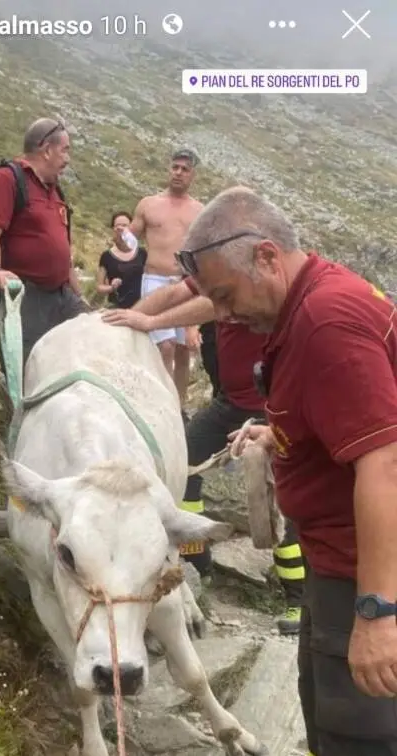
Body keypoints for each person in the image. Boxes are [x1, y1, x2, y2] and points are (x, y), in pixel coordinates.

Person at [180, 184, 397, 756]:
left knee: (361, 736)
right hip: (337, 567)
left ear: (268, 257)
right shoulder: (310, 302)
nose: (222, 314)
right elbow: (345, 420)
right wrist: (280, 434)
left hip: (361, 573)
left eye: (224, 294)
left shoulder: (325, 324)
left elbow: (384, 462)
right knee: (326, 719)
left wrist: (377, 613)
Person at [102, 263, 304, 635]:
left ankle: (298, 600)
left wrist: (151, 322)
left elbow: (212, 306)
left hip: (270, 402)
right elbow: (178, 292)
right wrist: (134, 314)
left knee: (277, 497)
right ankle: (198, 559)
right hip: (230, 401)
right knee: (187, 461)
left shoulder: (243, 280)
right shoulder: (213, 272)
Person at [0, 118, 88, 366]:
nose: (68, 160)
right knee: (29, 369)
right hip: (28, 296)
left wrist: (79, 297)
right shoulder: (7, 178)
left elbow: (64, 252)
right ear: (47, 150)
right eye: (65, 150)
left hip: (62, 296)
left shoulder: (55, 190)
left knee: (84, 353)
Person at [122, 148, 205, 406]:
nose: (178, 173)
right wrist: (121, 238)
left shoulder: (199, 211)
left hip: (185, 283)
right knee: (165, 345)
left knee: (183, 350)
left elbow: (202, 252)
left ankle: (179, 406)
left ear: (192, 175)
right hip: (155, 280)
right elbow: (129, 241)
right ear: (169, 169)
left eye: (185, 169)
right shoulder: (149, 204)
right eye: (175, 167)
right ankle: (163, 404)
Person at [95, 211, 148, 308]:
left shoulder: (142, 253)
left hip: (140, 307)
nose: (121, 229)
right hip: (116, 307)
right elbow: (99, 287)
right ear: (113, 229)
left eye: (125, 225)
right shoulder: (107, 256)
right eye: (117, 226)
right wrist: (111, 288)